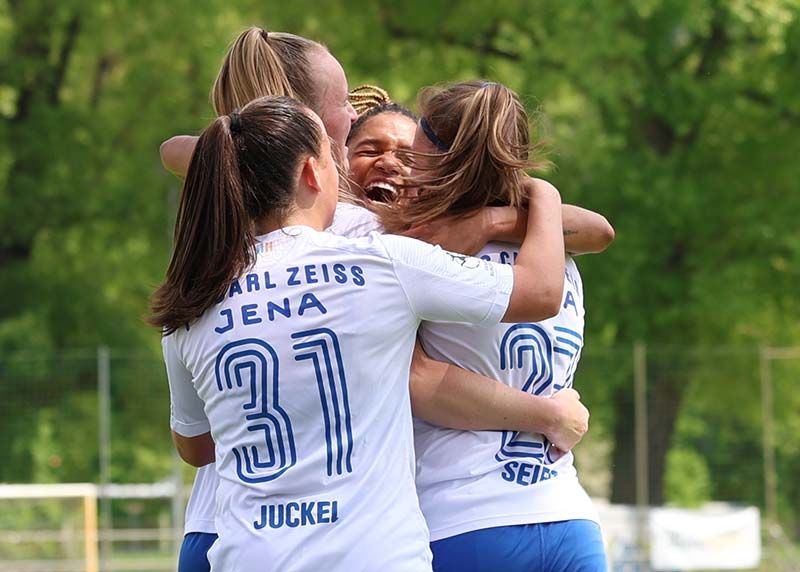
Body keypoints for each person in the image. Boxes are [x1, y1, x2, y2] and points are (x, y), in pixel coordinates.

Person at [160, 28, 592, 572]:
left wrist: (486, 216)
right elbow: (561, 266)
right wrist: (547, 413)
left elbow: (196, 446)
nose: (355, 113)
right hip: (364, 544)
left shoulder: (196, 290)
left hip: (225, 532)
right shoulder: (377, 251)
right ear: (310, 144)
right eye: (343, 107)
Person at [382, 80, 609, 571]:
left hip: (467, 520)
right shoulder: (555, 249)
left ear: (443, 159)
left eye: (415, 154)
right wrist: (536, 198)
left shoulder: (418, 247)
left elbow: (421, 381)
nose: (405, 165)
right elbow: (601, 230)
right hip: (569, 519)